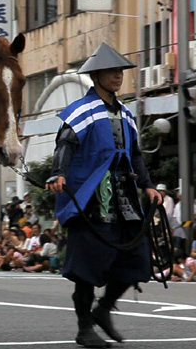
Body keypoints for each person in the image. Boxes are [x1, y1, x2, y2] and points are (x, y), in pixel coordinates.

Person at [45, 43, 161, 348]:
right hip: (91, 197)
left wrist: (148, 185)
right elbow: (65, 145)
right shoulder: (82, 110)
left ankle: (103, 310)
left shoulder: (126, 113)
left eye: (120, 71)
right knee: (86, 267)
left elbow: (135, 154)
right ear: (96, 75)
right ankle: (84, 328)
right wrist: (58, 173)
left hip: (124, 196)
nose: (117, 76)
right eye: (111, 71)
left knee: (136, 259)